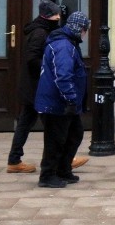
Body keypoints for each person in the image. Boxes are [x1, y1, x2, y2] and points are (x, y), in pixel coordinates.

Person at [7, 0, 87, 172]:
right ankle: (61, 160)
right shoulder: (39, 33)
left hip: (36, 84)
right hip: (37, 85)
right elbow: (32, 59)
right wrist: (47, 69)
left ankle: (14, 159)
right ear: (47, 16)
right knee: (55, 126)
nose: (58, 18)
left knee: (28, 122)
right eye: (56, 15)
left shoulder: (42, 30)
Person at [35, 10, 90, 188]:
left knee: (74, 134)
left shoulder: (68, 43)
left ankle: (63, 169)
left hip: (61, 102)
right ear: (79, 28)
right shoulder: (64, 46)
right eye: (85, 29)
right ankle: (48, 175)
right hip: (56, 103)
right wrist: (71, 99)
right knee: (55, 139)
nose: (85, 33)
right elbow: (63, 76)